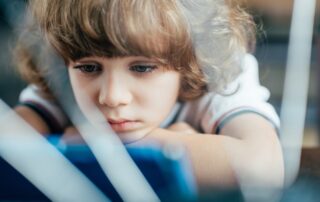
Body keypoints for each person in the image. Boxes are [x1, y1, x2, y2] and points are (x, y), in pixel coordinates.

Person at [14, 0, 284, 193]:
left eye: (142, 67)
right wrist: (186, 144)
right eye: (89, 67)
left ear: (193, 59)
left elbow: (262, 168)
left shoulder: (217, 76)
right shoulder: (61, 80)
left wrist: (89, 146)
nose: (112, 97)